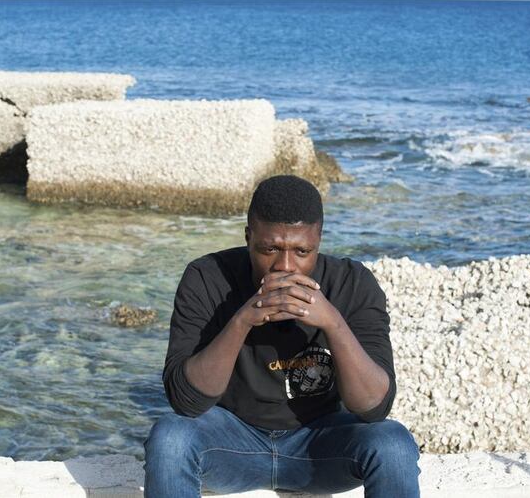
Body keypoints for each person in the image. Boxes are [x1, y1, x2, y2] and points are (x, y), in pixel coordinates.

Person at [144, 175, 421, 497]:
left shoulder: (352, 283)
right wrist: (242, 320)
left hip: (320, 446)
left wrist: (333, 323)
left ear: (319, 240)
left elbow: (373, 409)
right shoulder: (207, 277)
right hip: (231, 442)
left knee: (393, 443)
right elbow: (186, 402)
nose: (285, 266)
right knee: (170, 437)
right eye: (269, 249)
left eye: (302, 251)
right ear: (248, 236)